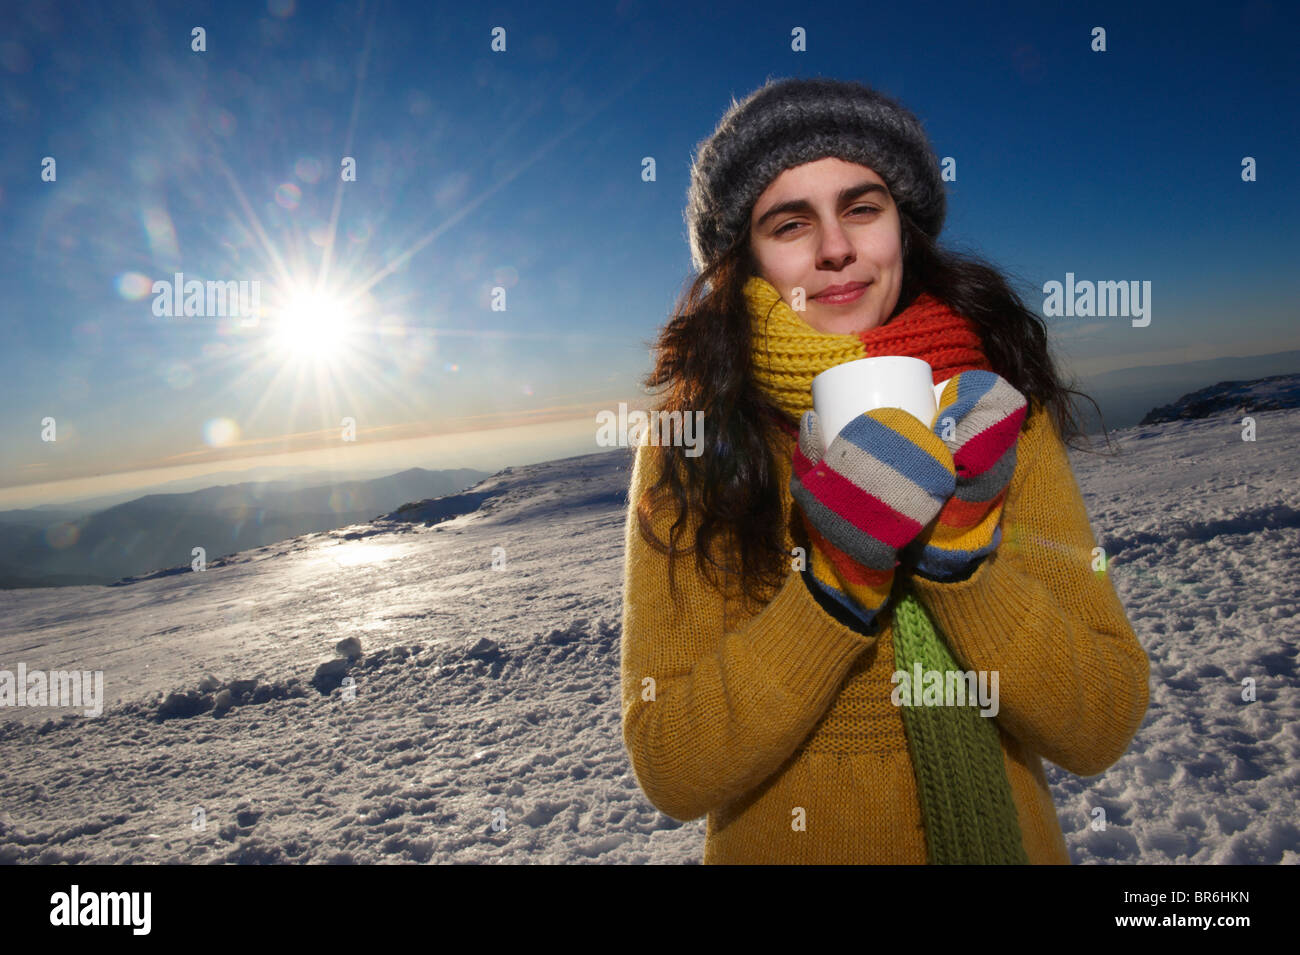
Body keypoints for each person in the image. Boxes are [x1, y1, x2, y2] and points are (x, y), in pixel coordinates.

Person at [619, 76, 1150, 864]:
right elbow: (671, 761)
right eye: (790, 222)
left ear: (904, 226)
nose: (835, 247)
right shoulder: (695, 443)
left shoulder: (998, 408)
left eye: (862, 208)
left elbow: (1101, 719)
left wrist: (966, 567)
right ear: (746, 259)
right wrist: (833, 590)